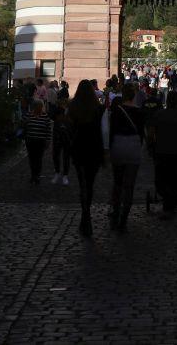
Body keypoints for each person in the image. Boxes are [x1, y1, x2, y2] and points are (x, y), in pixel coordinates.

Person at [105, 85, 145, 232]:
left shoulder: (117, 111)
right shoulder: (140, 112)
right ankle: (124, 219)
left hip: (118, 146)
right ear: (134, 95)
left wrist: (109, 150)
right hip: (133, 147)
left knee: (118, 183)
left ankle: (115, 213)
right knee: (129, 186)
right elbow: (142, 134)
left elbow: (111, 132)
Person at [69, 80, 104, 237]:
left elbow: (70, 128)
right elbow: (102, 131)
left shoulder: (73, 107)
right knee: (89, 184)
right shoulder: (98, 108)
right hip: (94, 148)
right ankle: (86, 214)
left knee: (82, 182)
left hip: (78, 147)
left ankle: (85, 215)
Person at [148, 91, 177, 215]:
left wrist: (153, 144)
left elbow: (150, 134)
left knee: (162, 175)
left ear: (167, 101)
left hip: (161, 151)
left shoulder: (159, 114)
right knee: (176, 175)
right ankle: (172, 199)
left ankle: (166, 198)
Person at [23, 99, 52, 185]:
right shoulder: (28, 115)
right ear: (34, 107)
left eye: (40, 106)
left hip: (40, 141)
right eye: (38, 106)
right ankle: (33, 175)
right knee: (32, 159)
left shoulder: (45, 116)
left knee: (38, 159)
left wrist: (48, 140)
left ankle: (37, 175)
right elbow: (23, 126)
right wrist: (26, 122)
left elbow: (48, 129)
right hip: (30, 141)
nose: (40, 108)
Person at [50, 95, 71, 186]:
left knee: (66, 157)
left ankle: (65, 175)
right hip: (57, 135)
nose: (63, 103)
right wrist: (59, 108)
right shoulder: (57, 110)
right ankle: (57, 172)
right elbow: (51, 116)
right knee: (56, 155)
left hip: (67, 136)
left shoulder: (70, 111)